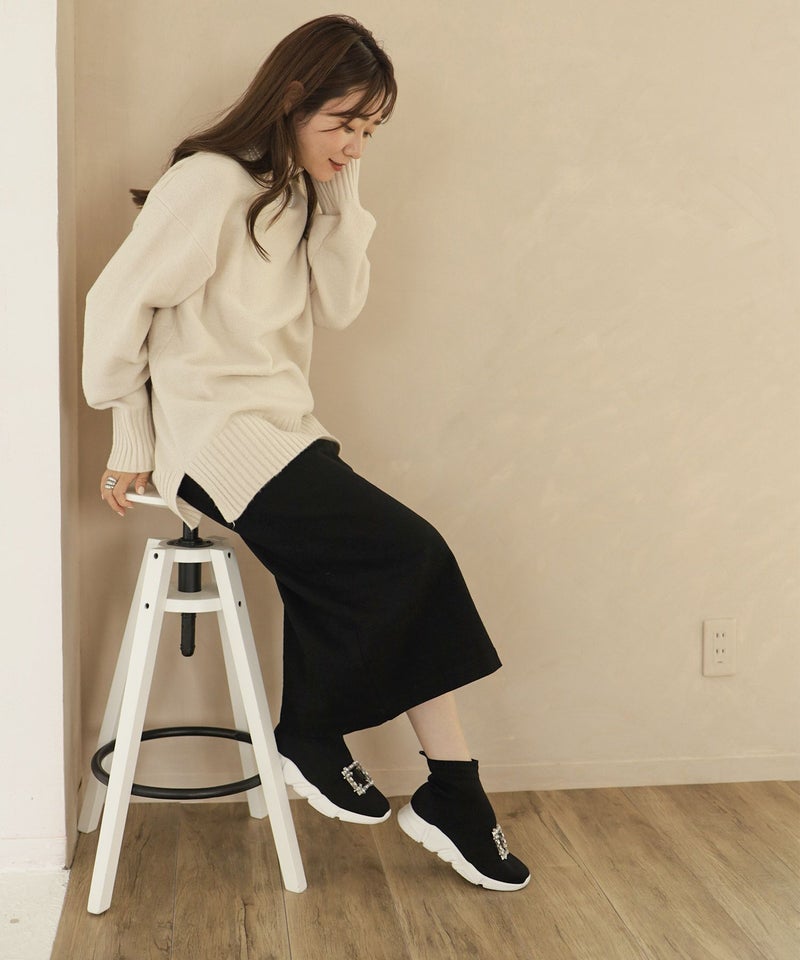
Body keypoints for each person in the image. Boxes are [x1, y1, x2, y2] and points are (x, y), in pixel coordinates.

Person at [82, 14, 529, 892]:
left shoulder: (299, 195)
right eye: (344, 124)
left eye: (370, 131)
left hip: (283, 435)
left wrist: (339, 190)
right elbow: (115, 307)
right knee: (412, 553)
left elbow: (341, 305)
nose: (356, 145)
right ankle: (321, 739)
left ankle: (448, 790)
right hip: (215, 441)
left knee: (400, 577)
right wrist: (129, 436)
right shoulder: (207, 184)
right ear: (291, 100)